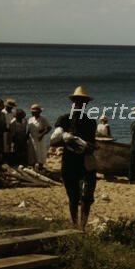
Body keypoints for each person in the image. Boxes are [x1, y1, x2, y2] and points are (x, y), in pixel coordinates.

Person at [52, 86, 97, 231]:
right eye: (78, 101)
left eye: (82, 101)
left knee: (87, 196)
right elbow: (55, 140)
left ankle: (82, 226)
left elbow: (92, 142)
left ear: (85, 104)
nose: (80, 103)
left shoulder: (90, 122)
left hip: (85, 161)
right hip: (70, 161)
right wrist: (68, 142)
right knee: (73, 196)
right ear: (73, 102)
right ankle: (75, 225)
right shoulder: (64, 120)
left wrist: (90, 146)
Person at [28, 104, 51, 171]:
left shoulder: (43, 119)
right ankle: (33, 168)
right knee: (32, 153)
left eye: (33, 111)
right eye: (31, 111)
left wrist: (42, 134)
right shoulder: (30, 119)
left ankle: (40, 167)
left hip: (39, 139)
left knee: (40, 153)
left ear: (38, 112)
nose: (32, 112)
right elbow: (29, 130)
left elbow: (49, 128)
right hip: (32, 139)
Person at [3, 99, 16, 164]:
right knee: (5, 145)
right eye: (10, 107)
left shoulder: (13, 113)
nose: (11, 108)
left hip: (12, 131)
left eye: (12, 107)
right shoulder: (2, 113)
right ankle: (5, 160)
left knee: (11, 146)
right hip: (4, 132)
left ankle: (11, 160)